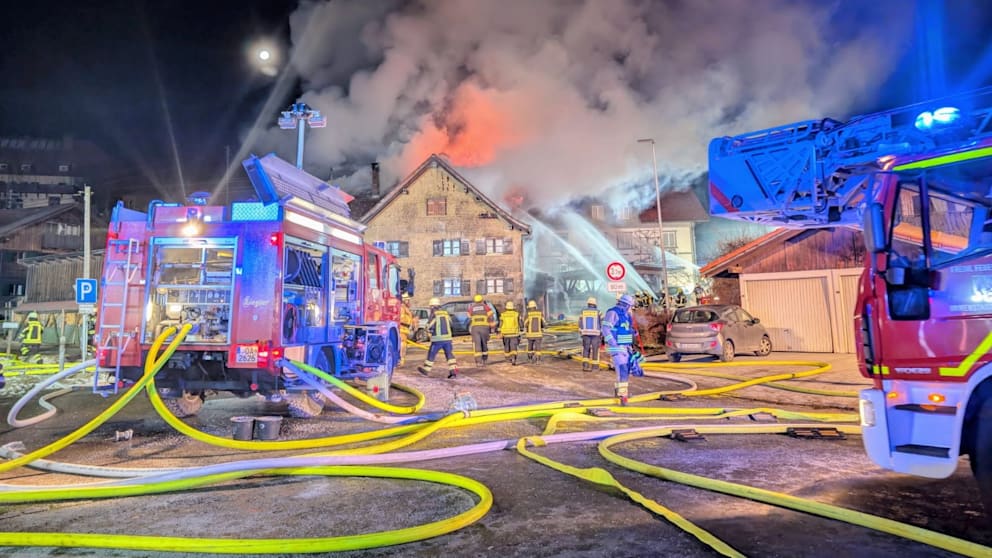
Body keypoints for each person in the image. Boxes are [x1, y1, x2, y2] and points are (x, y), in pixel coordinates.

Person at [602, 293, 636, 405]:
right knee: (622, 370)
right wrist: (613, 344)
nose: (630, 308)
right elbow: (605, 329)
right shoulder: (613, 313)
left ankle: (619, 392)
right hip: (617, 347)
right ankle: (623, 396)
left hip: (626, 346)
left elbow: (626, 329)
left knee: (624, 371)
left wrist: (633, 333)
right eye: (630, 306)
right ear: (626, 305)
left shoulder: (626, 315)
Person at [418, 298, 458, 379]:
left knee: (431, 354)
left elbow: (430, 325)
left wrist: (428, 330)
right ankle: (453, 371)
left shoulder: (434, 313)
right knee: (449, 354)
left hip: (438, 339)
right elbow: (451, 324)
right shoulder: (445, 313)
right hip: (448, 339)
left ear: (432, 306)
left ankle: (426, 370)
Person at [468, 294, 495, 366]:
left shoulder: (471, 307)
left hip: (475, 328)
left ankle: (478, 361)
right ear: (481, 300)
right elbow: (491, 314)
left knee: (477, 344)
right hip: (484, 327)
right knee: (484, 343)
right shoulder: (485, 306)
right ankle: (484, 359)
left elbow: (469, 316)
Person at [578, 297, 602, 371]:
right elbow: (602, 323)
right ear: (595, 304)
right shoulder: (599, 312)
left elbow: (579, 322)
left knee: (586, 350)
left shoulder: (583, 312)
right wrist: (602, 333)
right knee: (595, 350)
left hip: (585, 334)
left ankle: (585, 366)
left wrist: (581, 331)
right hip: (596, 335)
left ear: (588, 304)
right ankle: (595, 367)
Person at [498, 301, 523, 365]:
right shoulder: (516, 314)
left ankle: (507, 359)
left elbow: (501, 323)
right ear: (513, 307)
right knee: (513, 347)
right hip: (514, 333)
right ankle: (513, 358)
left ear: (506, 308)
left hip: (505, 334)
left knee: (507, 346)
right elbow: (520, 322)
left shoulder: (503, 314)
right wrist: (521, 328)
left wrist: (499, 331)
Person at [398, 293, 416, 365]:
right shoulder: (402, 308)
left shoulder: (405, 308)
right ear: (404, 300)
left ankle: (401, 360)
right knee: (402, 344)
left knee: (403, 344)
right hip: (402, 328)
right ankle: (401, 360)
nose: (409, 302)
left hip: (405, 329)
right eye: (408, 300)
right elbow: (401, 319)